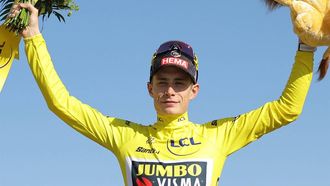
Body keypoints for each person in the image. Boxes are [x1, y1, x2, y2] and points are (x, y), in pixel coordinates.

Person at [10, 3, 315, 186]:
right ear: (150, 89)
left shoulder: (219, 136)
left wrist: (306, 46)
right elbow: (60, 103)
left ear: (194, 91)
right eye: (163, 82)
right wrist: (34, 38)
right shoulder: (124, 136)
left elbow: (286, 110)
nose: (170, 90)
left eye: (180, 84)